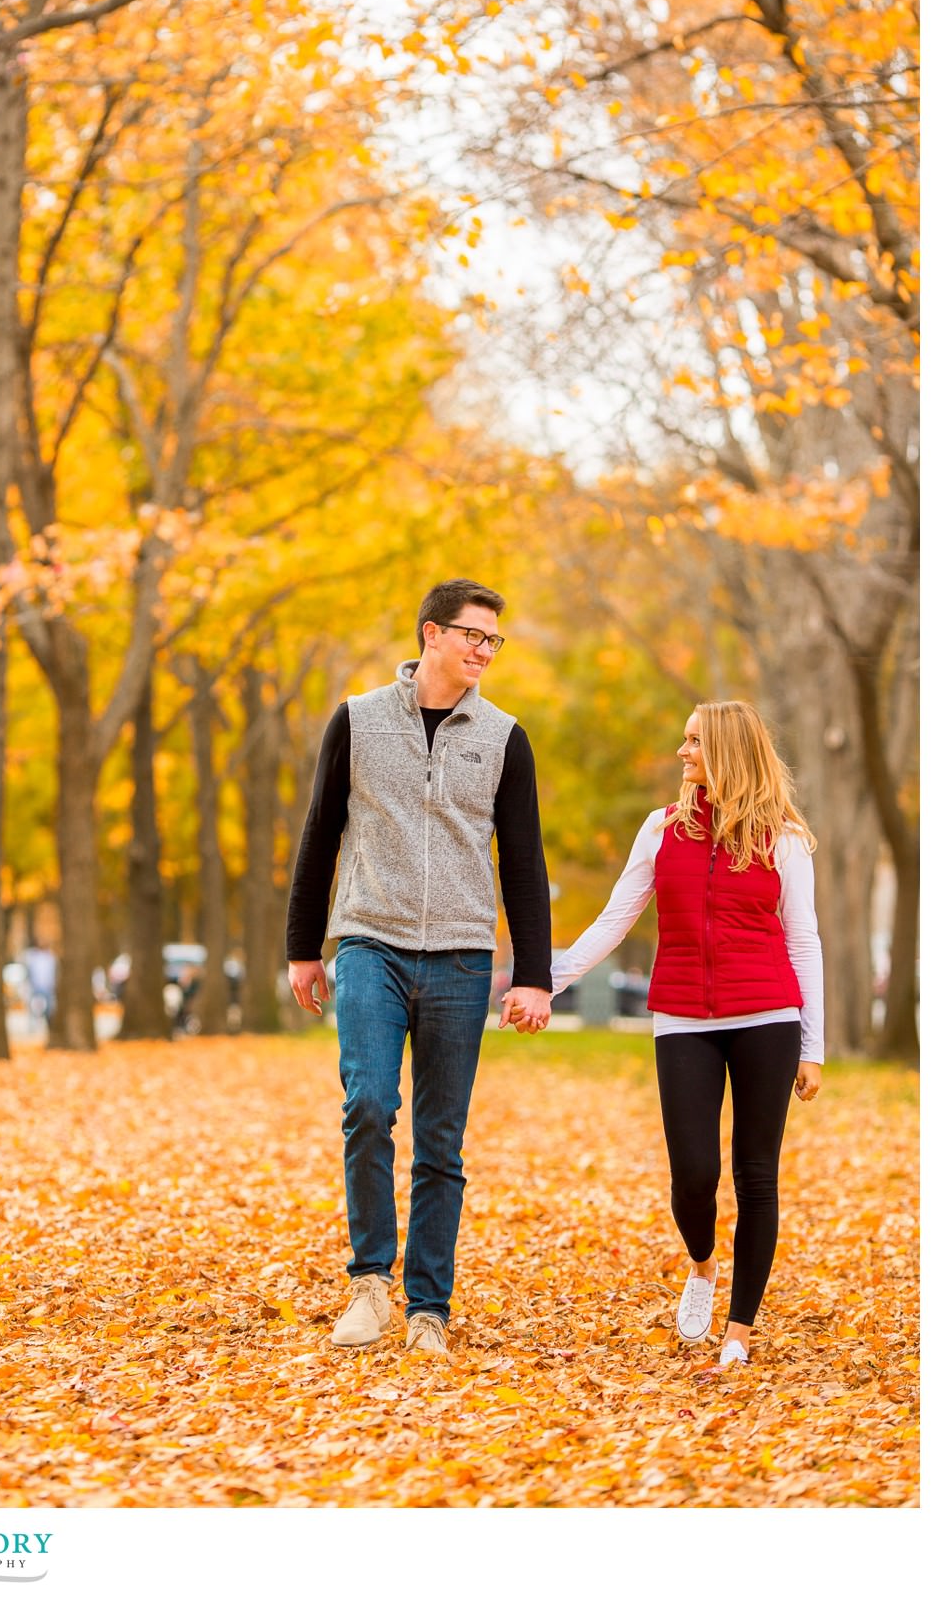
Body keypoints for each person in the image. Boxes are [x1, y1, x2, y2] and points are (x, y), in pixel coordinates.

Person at [287, 579, 553, 1356]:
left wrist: (531, 973)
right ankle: (370, 1282)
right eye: (473, 635)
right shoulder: (359, 720)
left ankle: (427, 1308)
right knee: (368, 1104)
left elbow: (525, 865)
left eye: (493, 640)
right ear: (431, 634)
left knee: (442, 1138)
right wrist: (304, 947)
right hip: (369, 938)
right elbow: (319, 835)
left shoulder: (505, 737)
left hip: (462, 958)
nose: (483, 650)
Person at [552, 701, 823, 1370]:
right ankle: (701, 1265)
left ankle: (739, 1329)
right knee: (693, 1174)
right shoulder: (661, 829)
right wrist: (544, 980)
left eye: (693, 741)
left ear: (727, 750)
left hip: (766, 1016)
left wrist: (812, 1045)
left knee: (756, 1175)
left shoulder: (782, 839)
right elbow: (617, 917)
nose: (681, 753)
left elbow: (804, 942)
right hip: (682, 1020)